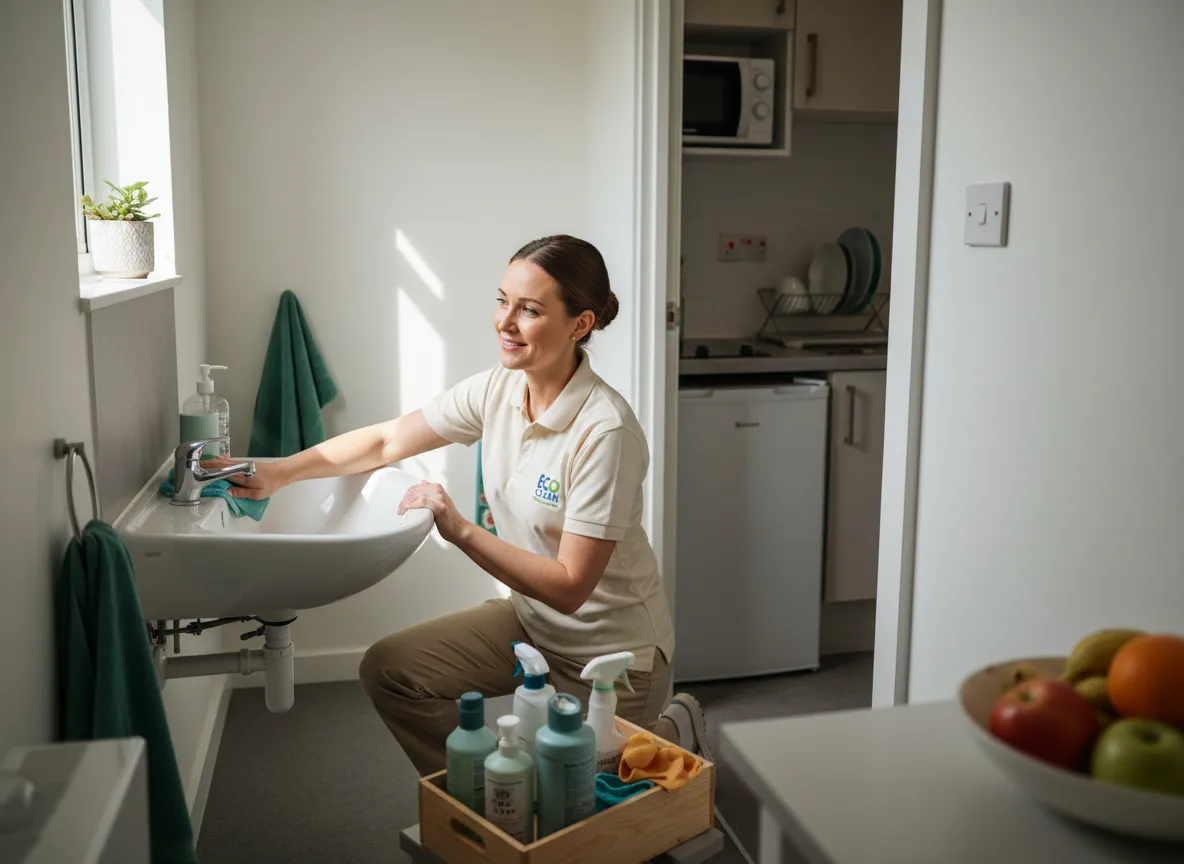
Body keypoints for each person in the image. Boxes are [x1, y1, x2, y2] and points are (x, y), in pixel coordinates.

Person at [224, 234, 711, 775]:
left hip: (612, 658)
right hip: (531, 626)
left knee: (588, 817)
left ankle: (672, 727)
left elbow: (571, 587)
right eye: (502, 300)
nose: (505, 322)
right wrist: (278, 471)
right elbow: (388, 441)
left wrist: (460, 529)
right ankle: (491, 801)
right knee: (390, 670)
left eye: (529, 310)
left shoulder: (605, 431)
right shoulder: (498, 390)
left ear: (580, 324)